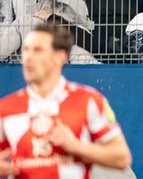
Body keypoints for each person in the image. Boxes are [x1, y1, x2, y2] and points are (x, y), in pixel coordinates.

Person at [0, 21, 132, 177]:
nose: (28, 57)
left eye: (38, 50)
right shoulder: (6, 108)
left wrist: (76, 146)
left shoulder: (89, 101)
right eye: (26, 50)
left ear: (59, 56)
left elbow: (121, 157)